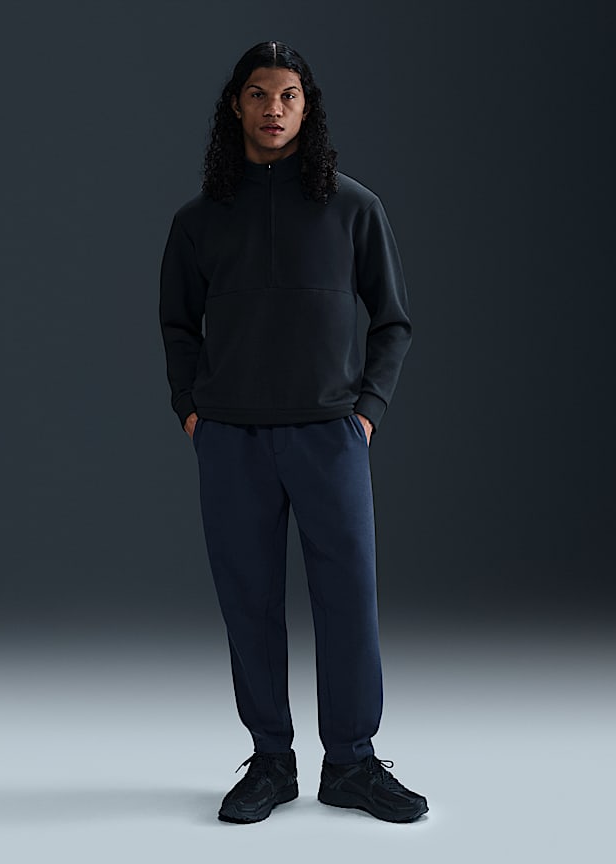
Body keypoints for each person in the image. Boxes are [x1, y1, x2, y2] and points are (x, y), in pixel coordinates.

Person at [159, 40, 426, 824]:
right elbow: (177, 325)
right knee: (249, 602)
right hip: (231, 438)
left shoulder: (354, 208)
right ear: (235, 105)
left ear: (308, 109)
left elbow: (393, 320)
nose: (273, 109)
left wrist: (367, 410)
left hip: (328, 435)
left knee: (348, 599)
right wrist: (191, 407)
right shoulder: (198, 220)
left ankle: (351, 763)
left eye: (288, 96)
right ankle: (271, 762)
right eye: (258, 94)